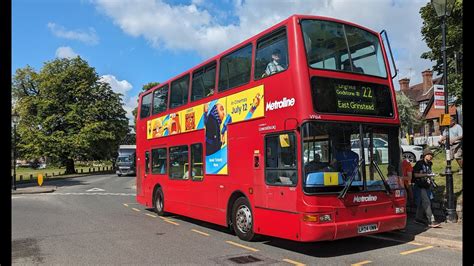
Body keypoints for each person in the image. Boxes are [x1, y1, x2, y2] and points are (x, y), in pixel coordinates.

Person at [412, 148, 441, 228]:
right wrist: (427, 175)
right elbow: (415, 175)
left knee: (422, 203)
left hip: (426, 185)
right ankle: (431, 220)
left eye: (431, 155)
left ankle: (418, 218)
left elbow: (428, 173)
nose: (430, 156)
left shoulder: (429, 164)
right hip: (420, 186)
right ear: (425, 155)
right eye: (429, 155)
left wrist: (432, 177)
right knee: (427, 202)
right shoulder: (419, 163)